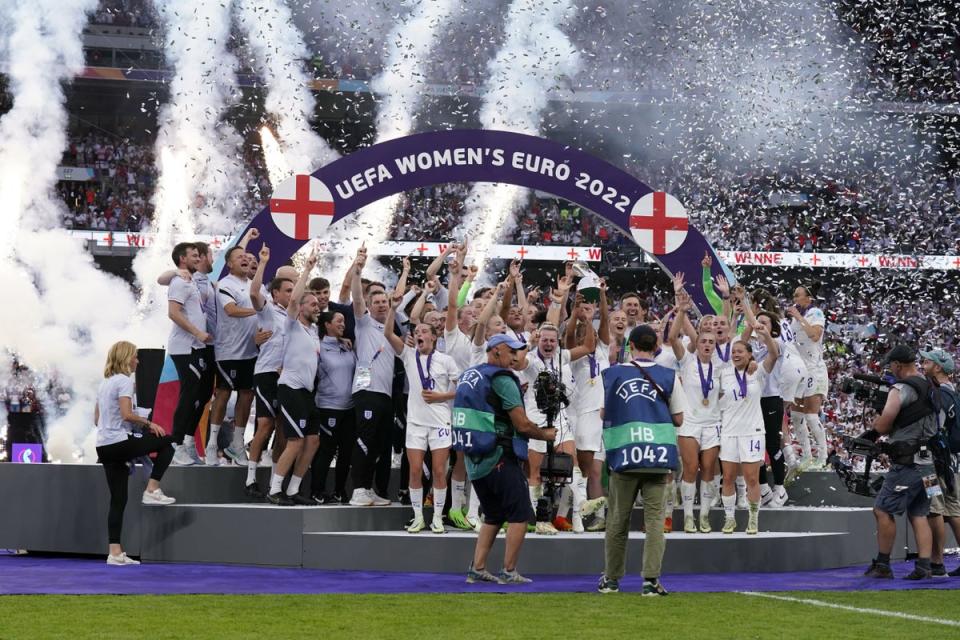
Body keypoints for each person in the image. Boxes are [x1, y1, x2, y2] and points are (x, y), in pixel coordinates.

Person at [456, 333, 557, 585]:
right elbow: (522, 425)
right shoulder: (502, 379)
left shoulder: (471, 374)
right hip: (500, 454)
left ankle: (477, 568)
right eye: (511, 352)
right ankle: (509, 571)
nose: (515, 357)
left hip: (474, 459)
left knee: (492, 514)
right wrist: (544, 434)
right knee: (520, 512)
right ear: (497, 350)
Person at [598, 325, 686, 596]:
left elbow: (603, 413)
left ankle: (612, 580)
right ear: (656, 345)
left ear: (631, 345)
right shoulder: (669, 375)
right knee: (655, 522)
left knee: (617, 521)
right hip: (657, 455)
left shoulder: (613, 375)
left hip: (625, 452)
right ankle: (650, 581)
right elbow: (679, 418)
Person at [94, 341, 177, 566]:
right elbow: (126, 415)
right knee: (167, 442)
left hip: (103, 445)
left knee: (118, 500)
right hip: (118, 442)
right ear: (126, 358)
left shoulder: (104, 384)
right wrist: (148, 424)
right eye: (135, 357)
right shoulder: (123, 381)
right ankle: (152, 489)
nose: (138, 361)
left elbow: (96, 420)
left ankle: (115, 553)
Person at [385, 289, 458, 533]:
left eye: (424, 331)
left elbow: (460, 391)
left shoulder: (446, 360)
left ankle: (437, 516)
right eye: (417, 332)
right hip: (416, 423)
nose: (419, 334)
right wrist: (393, 309)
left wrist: (441, 396)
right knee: (415, 470)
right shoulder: (408, 355)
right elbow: (387, 333)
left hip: (440, 422)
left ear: (435, 337)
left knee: (439, 471)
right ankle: (418, 516)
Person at [864, 344, 939, 580]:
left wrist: (874, 427)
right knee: (919, 513)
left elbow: (885, 423)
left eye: (892, 366)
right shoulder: (929, 385)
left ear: (898, 365)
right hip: (929, 461)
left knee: (882, 509)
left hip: (908, 462)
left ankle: (883, 565)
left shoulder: (900, 388)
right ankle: (925, 567)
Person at [348, 244, 404, 506]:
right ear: (369, 306)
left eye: (385, 301)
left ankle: (370, 489)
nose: (381, 305)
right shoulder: (364, 322)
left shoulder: (392, 330)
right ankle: (358, 489)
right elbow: (357, 298)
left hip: (385, 394)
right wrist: (358, 270)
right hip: (366, 391)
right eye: (377, 302)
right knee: (365, 438)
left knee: (380, 444)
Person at [267, 250, 322, 506]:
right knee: (295, 440)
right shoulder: (292, 325)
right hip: (291, 388)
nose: (317, 307)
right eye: (312, 304)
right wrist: (308, 270)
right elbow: (292, 303)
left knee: (312, 441)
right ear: (300, 308)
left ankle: (293, 489)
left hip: (307, 393)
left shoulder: (314, 333)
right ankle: (274, 488)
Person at [717, 319, 779, 535]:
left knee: (752, 478)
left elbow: (774, 354)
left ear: (750, 355)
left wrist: (766, 334)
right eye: (733, 351)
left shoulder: (758, 371)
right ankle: (729, 519)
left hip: (752, 431)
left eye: (740, 351)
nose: (736, 354)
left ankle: (753, 519)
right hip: (729, 432)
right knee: (728, 477)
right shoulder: (724, 374)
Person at [245, 243, 292, 498]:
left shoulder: (294, 316)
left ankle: (276, 480)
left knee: (283, 427)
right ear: (275, 293)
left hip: (286, 377)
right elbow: (254, 293)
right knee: (265, 425)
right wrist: (263, 262)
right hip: (266, 373)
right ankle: (251, 478)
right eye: (287, 290)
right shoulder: (268, 311)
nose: (291, 293)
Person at [208, 245, 259, 465]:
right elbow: (232, 310)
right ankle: (211, 444)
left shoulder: (254, 286)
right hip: (228, 350)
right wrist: (260, 310)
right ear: (229, 263)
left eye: (247, 257)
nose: (245, 260)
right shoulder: (225, 285)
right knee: (223, 393)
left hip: (251, 350)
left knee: (247, 395)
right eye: (240, 257)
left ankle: (237, 444)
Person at [165, 243, 211, 467]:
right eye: (193, 255)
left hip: (196, 346)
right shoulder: (179, 281)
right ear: (182, 259)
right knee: (189, 395)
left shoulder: (188, 279)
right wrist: (197, 332)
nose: (198, 258)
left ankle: (187, 442)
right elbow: (172, 313)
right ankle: (176, 445)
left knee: (200, 396)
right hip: (185, 347)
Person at [310, 310, 357, 504]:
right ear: (327, 324)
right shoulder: (318, 347)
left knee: (346, 452)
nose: (343, 324)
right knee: (326, 451)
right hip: (328, 406)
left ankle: (339, 490)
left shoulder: (347, 346)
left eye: (344, 321)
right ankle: (316, 490)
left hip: (349, 408)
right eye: (339, 321)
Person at [920, 348, 960, 577]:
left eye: (927, 363)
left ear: (938, 367)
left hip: (934, 463)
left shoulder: (939, 396)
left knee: (934, 508)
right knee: (954, 510)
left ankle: (937, 563)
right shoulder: (954, 393)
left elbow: (935, 429)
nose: (923, 366)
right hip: (954, 464)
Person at [787, 285, 829, 469]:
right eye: (793, 294)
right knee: (796, 416)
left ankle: (823, 457)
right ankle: (806, 456)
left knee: (811, 416)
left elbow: (814, 335)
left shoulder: (816, 313)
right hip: (799, 372)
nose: (794, 297)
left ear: (808, 298)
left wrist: (798, 316)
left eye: (798, 295)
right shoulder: (793, 321)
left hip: (814, 369)